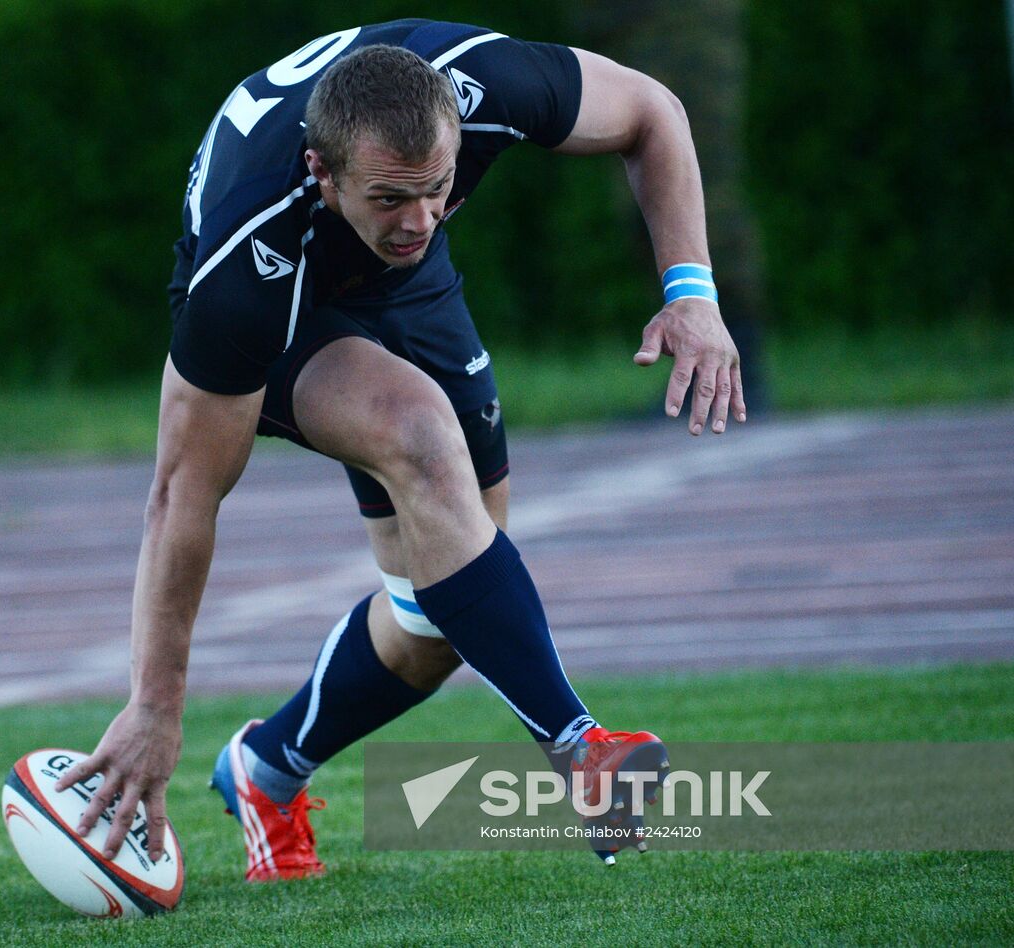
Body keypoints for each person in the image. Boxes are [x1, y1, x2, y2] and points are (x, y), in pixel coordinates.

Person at [57, 19, 745, 880]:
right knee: (421, 435)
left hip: (399, 287)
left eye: (440, 190)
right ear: (323, 169)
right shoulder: (246, 261)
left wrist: (692, 292)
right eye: (393, 197)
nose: (421, 218)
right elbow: (182, 496)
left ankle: (265, 767)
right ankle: (581, 753)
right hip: (292, 298)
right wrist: (154, 706)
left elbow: (655, 110)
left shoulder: (485, 87)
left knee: (447, 610)